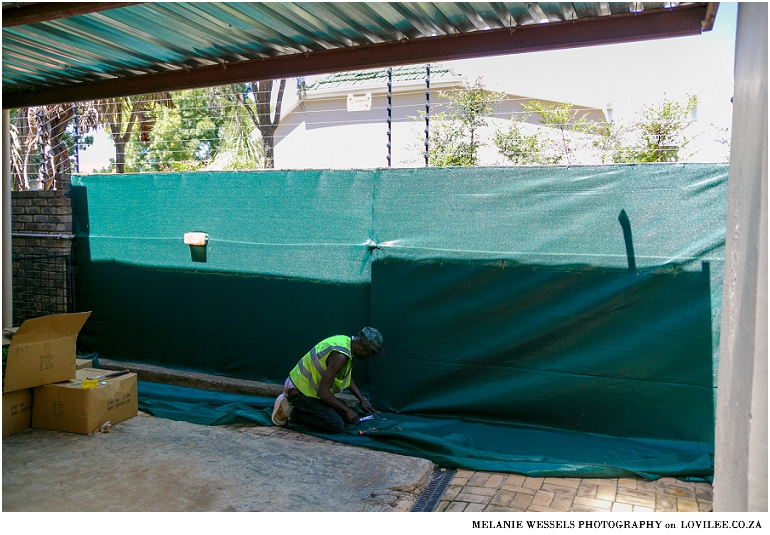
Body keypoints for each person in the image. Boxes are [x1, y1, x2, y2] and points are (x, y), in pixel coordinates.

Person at [271, 327, 385, 433]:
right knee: (336, 424)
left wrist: (362, 400)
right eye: (370, 355)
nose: (368, 358)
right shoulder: (340, 356)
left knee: (345, 416)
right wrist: (346, 409)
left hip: (311, 391)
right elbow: (323, 393)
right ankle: (290, 411)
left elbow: (347, 378)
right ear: (362, 349)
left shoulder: (347, 343)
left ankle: (301, 408)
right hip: (298, 391)